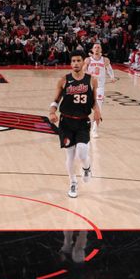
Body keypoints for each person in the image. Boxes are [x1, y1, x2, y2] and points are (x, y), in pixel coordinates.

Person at [49, 51, 101, 198]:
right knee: (70, 156)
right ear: (70, 63)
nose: (76, 63)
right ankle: (73, 182)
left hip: (83, 121)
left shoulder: (92, 80)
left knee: (83, 152)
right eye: (73, 61)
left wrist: (97, 111)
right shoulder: (63, 80)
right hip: (66, 122)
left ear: (83, 62)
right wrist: (52, 112)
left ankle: (87, 168)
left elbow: (94, 102)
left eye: (78, 60)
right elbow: (56, 100)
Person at [83, 43, 114, 138]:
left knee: (98, 109)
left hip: (100, 87)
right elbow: (83, 70)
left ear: (101, 50)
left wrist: (112, 77)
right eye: (95, 47)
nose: (97, 49)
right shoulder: (88, 60)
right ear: (92, 49)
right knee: (84, 108)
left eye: (98, 47)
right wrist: (91, 74)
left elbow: (110, 69)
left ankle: (94, 130)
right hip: (88, 87)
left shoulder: (105, 60)